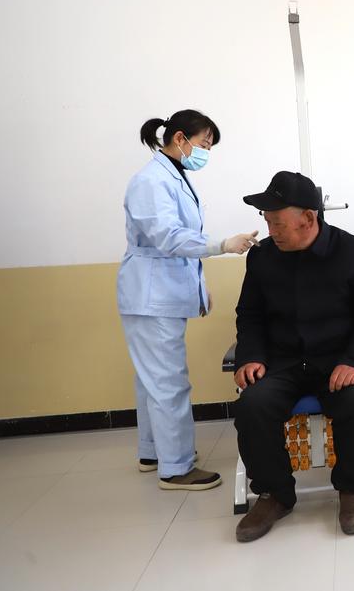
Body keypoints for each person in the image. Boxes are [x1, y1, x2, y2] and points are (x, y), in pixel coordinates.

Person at [232, 171, 354, 542]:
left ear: (308, 218)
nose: (271, 230)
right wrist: (250, 355)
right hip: (282, 362)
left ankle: (353, 491)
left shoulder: (352, 251)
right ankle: (274, 495)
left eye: (278, 222)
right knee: (253, 405)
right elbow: (250, 315)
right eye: (267, 222)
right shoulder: (262, 258)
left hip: (339, 360)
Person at [118, 110, 259, 490]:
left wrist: (198, 288)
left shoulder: (172, 175)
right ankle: (176, 468)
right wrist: (222, 245)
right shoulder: (151, 181)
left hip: (160, 291)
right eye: (203, 144)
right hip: (151, 296)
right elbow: (168, 237)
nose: (205, 153)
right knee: (168, 382)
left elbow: (176, 242)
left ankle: (153, 452)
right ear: (180, 138)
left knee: (151, 380)